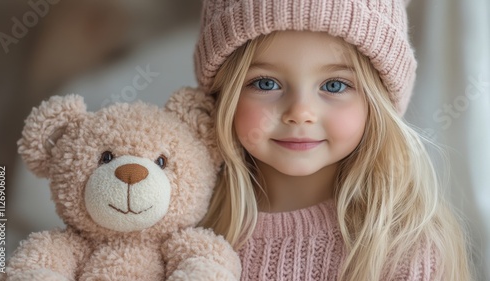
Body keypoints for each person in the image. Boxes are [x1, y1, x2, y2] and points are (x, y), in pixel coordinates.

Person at [189, 0, 473, 280]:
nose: (300, 113)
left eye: (334, 85)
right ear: (221, 95)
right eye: (266, 83)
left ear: (377, 103)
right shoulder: (183, 223)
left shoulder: (405, 247)